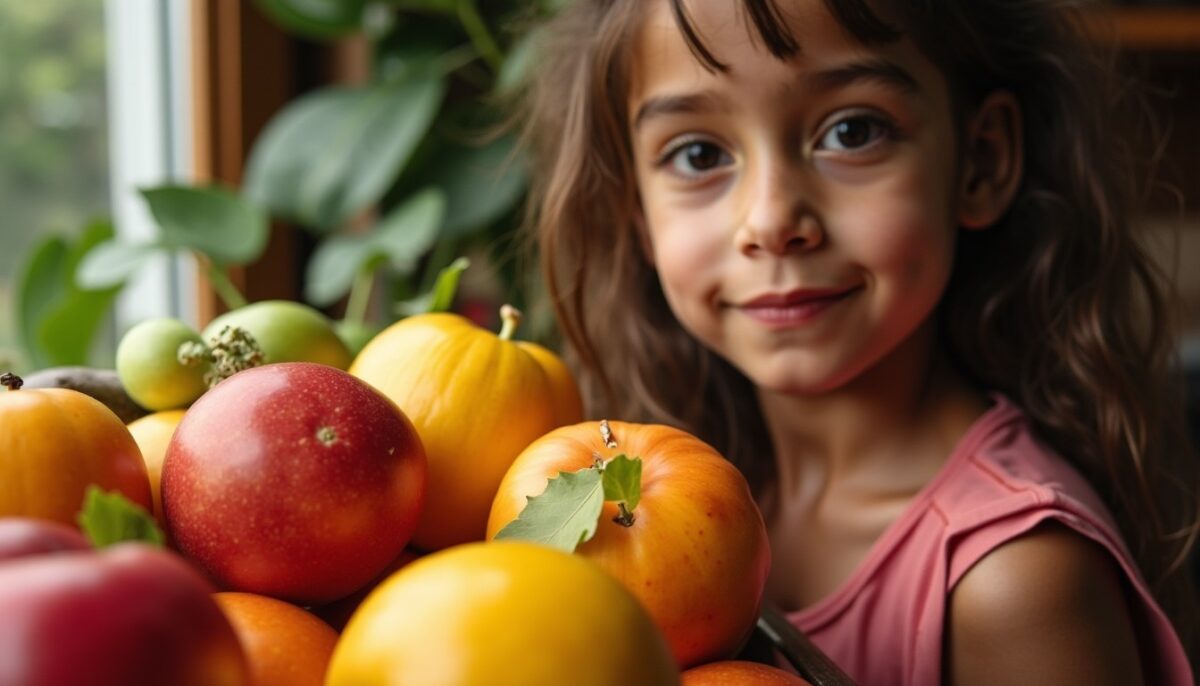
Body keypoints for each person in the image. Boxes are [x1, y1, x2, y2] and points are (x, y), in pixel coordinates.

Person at [513, 0, 1199, 684]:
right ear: (636, 208)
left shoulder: (1013, 581)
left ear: (980, 162)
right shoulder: (648, 486)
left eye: (851, 132)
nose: (772, 218)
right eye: (699, 154)